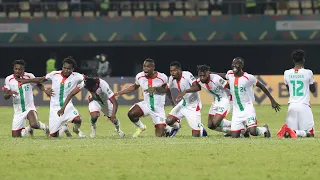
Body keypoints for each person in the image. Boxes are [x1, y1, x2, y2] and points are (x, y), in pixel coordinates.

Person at [17, 56, 86, 138]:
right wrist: (27, 81)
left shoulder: (77, 76)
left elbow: (86, 80)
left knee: (78, 120)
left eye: (68, 69)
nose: (65, 70)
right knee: (53, 136)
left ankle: (76, 130)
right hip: (54, 108)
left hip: (67, 105)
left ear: (72, 69)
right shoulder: (54, 74)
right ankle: (64, 128)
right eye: (64, 68)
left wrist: (83, 84)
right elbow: (41, 80)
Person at [225, 57, 280, 138]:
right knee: (234, 136)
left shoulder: (248, 77)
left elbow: (262, 86)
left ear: (241, 65)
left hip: (248, 108)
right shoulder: (230, 74)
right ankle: (245, 129)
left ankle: (264, 129)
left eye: (237, 64)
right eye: (233, 63)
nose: (234, 65)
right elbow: (222, 75)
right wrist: (210, 74)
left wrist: (272, 100)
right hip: (236, 110)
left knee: (253, 132)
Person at [115, 58, 168, 137]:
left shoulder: (162, 77)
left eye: (148, 67)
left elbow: (166, 89)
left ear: (153, 68)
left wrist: (156, 89)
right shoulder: (139, 76)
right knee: (131, 114)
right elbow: (134, 86)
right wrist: (119, 93)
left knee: (160, 136)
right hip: (146, 104)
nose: (145, 69)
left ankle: (168, 128)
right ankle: (141, 127)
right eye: (144, 66)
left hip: (158, 109)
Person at [57, 76, 125, 138]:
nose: (91, 91)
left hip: (106, 102)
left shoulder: (104, 85)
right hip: (94, 100)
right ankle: (93, 126)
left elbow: (115, 103)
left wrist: (113, 115)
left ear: (96, 85)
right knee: (94, 115)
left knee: (114, 120)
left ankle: (118, 130)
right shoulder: (85, 83)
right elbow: (71, 94)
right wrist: (63, 108)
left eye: (91, 89)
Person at [177, 64, 232, 135]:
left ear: (208, 73)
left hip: (226, 99)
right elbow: (195, 87)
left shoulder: (216, 79)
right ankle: (229, 132)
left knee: (216, 122)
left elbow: (230, 86)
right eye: (200, 76)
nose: (202, 78)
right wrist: (185, 91)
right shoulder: (199, 81)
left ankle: (238, 126)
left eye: (204, 76)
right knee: (211, 125)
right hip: (216, 101)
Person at [3, 60, 50, 137]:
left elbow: (39, 84)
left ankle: (45, 127)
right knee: (16, 137)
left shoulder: (29, 76)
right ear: (13, 69)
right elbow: (5, 96)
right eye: (16, 69)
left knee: (34, 124)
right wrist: (9, 93)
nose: (18, 71)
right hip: (18, 110)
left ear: (23, 70)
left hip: (29, 107)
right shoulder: (8, 79)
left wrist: (45, 91)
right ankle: (28, 129)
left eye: (20, 69)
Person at [277, 49, 315, 138]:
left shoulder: (287, 73)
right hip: (304, 105)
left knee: (289, 134)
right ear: (303, 60)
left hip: (292, 106)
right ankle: (295, 132)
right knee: (310, 133)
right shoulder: (308, 73)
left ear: (293, 60)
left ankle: (290, 130)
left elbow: (289, 89)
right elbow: (313, 90)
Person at [165, 61, 206, 137]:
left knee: (196, 135)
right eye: (171, 71)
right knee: (169, 121)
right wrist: (171, 100)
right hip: (183, 103)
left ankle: (201, 128)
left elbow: (198, 87)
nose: (172, 73)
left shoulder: (187, 75)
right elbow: (166, 89)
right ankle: (176, 127)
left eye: (174, 70)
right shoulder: (171, 78)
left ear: (180, 70)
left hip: (193, 106)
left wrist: (185, 91)